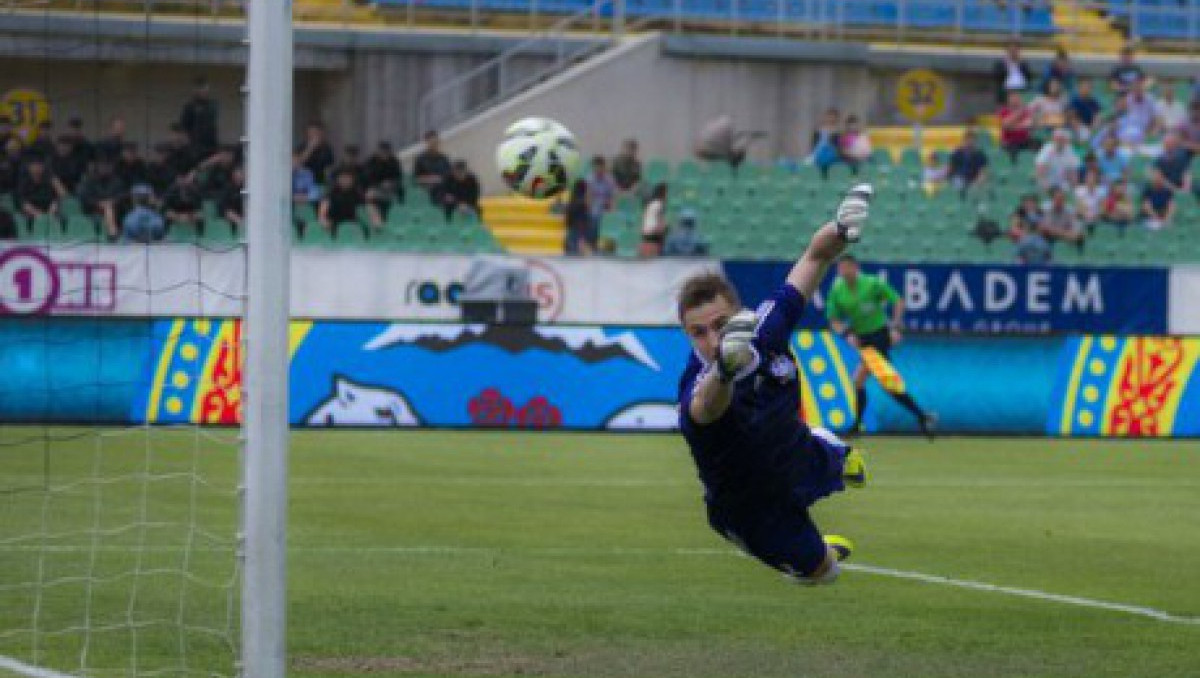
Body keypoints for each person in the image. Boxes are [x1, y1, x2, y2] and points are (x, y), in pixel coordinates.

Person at [675, 184, 873, 587]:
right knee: (822, 574)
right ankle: (818, 554)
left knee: (849, 465)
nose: (711, 340)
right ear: (686, 335)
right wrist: (725, 371)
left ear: (739, 313)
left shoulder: (765, 328)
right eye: (698, 333)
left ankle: (826, 445)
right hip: (749, 506)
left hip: (796, 453)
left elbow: (814, 257)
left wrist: (840, 228)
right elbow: (706, 407)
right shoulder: (697, 385)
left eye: (719, 325)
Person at [826, 254, 936, 438]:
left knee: (861, 380)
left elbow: (898, 300)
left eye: (847, 267)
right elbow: (833, 319)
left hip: (879, 336)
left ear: (855, 267)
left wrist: (895, 325)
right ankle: (922, 416)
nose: (844, 271)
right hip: (863, 339)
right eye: (841, 268)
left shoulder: (872, 283)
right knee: (886, 383)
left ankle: (856, 427)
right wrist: (847, 334)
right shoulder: (838, 291)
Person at [76, 159, 126, 239]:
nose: (105, 168)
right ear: (97, 167)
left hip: (114, 209)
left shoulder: (116, 181)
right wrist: (98, 203)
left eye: (107, 166)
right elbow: (83, 197)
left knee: (108, 208)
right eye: (102, 166)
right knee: (107, 208)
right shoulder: (88, 180)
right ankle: (112, 232)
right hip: (91, 210)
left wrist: (112, 201)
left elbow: (122, 195)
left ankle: (112, 232)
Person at [179, 76, 220, 158]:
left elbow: (213, 119)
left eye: (206, 89)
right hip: (195, 145)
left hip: (211, 143)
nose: (204, 92)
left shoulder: (213, 105)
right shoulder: (190, 106)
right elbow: (184, 126)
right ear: (196, 90)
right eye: (201, 89)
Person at [17, 157, 59, 225]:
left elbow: (55, 200)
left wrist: (50, 214)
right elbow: (23, 203)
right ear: (29, 168)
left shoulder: (48, 182)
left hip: (50, 215)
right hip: (30, 216)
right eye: (34, 166)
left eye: (39, 166)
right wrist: (38, 215)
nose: (37, 168)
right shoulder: (24, 184)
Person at [947, 129, 989, 196]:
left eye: (972, 140)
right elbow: (950, 169)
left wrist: (978, 182)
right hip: (959, 179)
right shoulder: (957, 153)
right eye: (967, 140)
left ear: (976, 141)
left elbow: (983, 172)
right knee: (958, 184)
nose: (969, 142)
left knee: (980, 188)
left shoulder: (980, 155)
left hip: (974, 180)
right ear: (964, 140)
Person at [999, 90, 1038, 162]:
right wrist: (1019, 113)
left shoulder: (1026, 111)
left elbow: (1030, 124)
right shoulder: (1004, 111)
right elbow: (1005, 125)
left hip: (1025, 140)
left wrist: (1014, 126)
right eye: (1013, 98)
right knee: (1013, 153)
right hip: (1010, 142)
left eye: (1017, 97)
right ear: (1008, 99)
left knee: (1038, 145)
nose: (1016, 99)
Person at [413, 130, 452, 200]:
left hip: (444, 191)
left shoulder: (444, 159)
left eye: (436, 142)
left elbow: (450, 177)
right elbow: (416, 179)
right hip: (428, 193)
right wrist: (431, 179)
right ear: (426, 142)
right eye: (432, 143)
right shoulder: (421, 159)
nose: (434, 145)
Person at [992, 40, 1032, 104]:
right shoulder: (1001, 63)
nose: (1013, 52)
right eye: (1011, 50)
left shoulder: (1023, 63)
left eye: (1016, 49)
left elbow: (1029, 77)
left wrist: (1020, 63)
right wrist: (1007, 65)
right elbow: (997, 77)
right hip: (1006, 90)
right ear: (1007, 50)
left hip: (1022, 89)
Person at [365, 141, 404, 206]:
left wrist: (391, 183)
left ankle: (399, 205)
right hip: (375, 187)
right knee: (371, 193)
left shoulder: (394, 162)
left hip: (391, 187)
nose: (384, 155)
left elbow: (398, 176)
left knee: (399, 190)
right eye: (382, 152)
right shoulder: (371, 162)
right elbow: (368, 177)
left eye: (386, 152)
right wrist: (380, 184)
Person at [586, 156, 616, 237]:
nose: (598, 169)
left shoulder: (610, 180)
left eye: (600, 167)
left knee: (607, 216)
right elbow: (588, 198)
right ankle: (593, 239)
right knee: (595, 214)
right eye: (596, 167)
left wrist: (611, 211)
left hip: (605, 206)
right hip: (594, 206)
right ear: (593, 167)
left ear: (604, 167)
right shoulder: (589, 180)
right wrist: (589, 209)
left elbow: (612, 197)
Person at [808, 108, 843, 178]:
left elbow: (839, 148)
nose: (831, 119)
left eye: (833, 117)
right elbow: (813, 145)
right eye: (829, 116)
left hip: (832, 155)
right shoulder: (818, 131)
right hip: (818, 154)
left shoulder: (838, 133)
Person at [562, 179, 593, 256]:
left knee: (570, 249)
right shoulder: (583, 202)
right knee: (576, 253)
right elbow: (587, 217)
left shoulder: (572, 200)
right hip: (579, 230)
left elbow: (568, 217)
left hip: (572, 229)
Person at [639, 182, 668, 258]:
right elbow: (660, 221)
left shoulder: (650, 204)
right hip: (653, 233)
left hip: (645, 232)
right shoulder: (660, 204)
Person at [1074, 168, 1107, 232]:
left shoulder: (1102, 191)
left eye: (1093, 178)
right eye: (1089, 177)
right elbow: (1079, 206)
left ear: (1096, 179)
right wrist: (1085, 214)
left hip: (1097, 216)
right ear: (1085, 179)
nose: (1091, 180)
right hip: (1083, 215)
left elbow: (1103, 207)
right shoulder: (1079, 190)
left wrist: (1096, 215)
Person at [221, 166, 245, 232]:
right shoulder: (228, 188)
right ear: (233, 176)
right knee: (230, 213)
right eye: (237, 175)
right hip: (230, 212)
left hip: (243, 212)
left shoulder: (246, 187)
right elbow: (224, 207)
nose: (239, 177)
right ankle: (243, 227)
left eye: (240, 175)